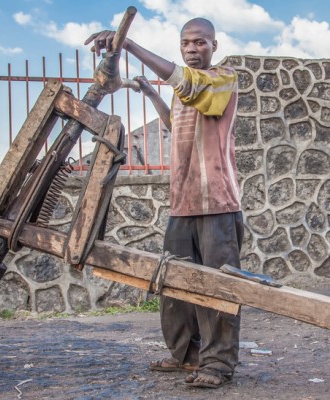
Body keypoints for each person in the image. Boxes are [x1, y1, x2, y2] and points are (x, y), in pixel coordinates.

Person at [86, 17, 243, 389]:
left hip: (217, 203)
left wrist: (129, 45)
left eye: (201, 42)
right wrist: (152, 93)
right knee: (173, 284)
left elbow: (187, 85)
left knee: (216, 288)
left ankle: (218, 365)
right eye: (187, 43)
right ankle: (186, 356)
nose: (193, 49)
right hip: (182, 203)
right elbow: (177, 121)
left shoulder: (222, 79)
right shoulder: (183, 90)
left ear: (214, 46)